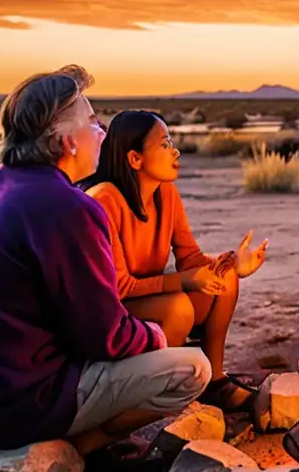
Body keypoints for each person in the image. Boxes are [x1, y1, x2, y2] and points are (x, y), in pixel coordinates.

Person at [0, 66, 210, 456]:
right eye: (93, 122)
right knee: (193, 370)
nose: (102, 133)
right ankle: (77, 449)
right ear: (66, 142)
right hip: (14, 406)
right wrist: (158, 337)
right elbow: (105, 336)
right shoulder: (68, 208)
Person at [82, 110, 268, 413]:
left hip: (146, 296)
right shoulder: (103, 201)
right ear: (135, 159)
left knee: (226, 277)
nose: (175, 151)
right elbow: (118, 287)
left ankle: (214, 380)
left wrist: (233, 264)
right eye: (165, 144)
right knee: (179, 307)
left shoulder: (164, 192)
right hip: (111, 313)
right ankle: (135, 400)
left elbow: (190, 258)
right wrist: (186, 281)